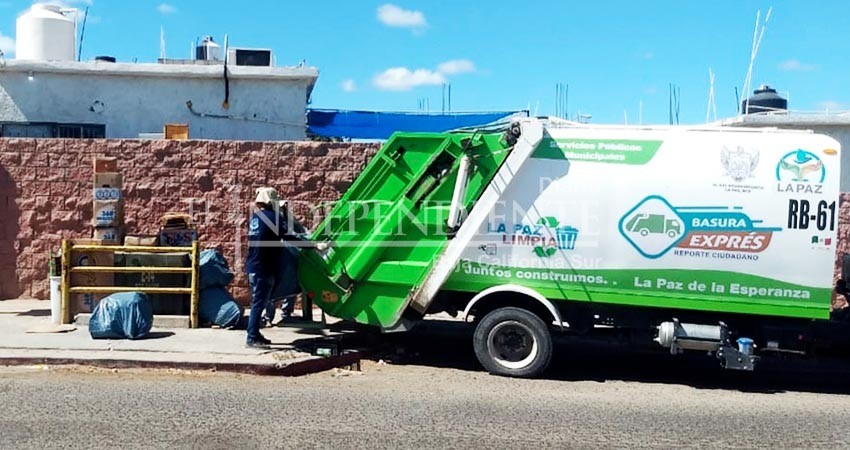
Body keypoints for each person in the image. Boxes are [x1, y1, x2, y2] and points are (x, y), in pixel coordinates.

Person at [245, 187, 298, 348]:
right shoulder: (272, 218)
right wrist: (314, 245)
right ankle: (252, 337)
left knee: (259, 302)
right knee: (258, 304)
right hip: (264, 267)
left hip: (254, 265)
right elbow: (289, 237)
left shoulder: (255, 218)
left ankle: (256, 334)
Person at [263, 200, 308, 326]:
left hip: (289, 256)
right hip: (279, 257)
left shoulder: (287, 220)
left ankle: (284, 313)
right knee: (274, 286)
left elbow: (301, 232)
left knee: (291, 284)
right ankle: (269, 316)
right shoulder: (273, 220)